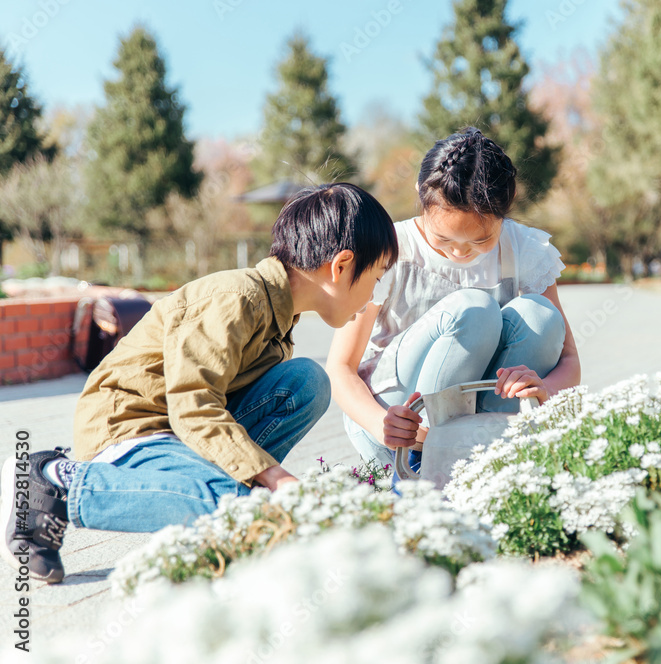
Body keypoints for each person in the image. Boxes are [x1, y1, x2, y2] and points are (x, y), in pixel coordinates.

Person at [1, 183, 398, 584]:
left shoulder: (279, 321)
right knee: (233, 507)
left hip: (178, 433)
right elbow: (194, 407)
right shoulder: (236, 298)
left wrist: (259, 476)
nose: (374, 295)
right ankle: (52, 480)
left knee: (306, 382)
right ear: (342, 265)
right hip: (131, 427)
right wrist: (273, 476)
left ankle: (217, 493)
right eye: (377, 277)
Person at [326, 127, 581, 473]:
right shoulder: (390, 249)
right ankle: (421, 466)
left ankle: (484, 460)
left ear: (505, 211)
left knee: (540, 317)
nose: (460, 252)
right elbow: (340, 366)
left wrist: (544, 389)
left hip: (473, 425)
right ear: (421, 195)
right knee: (474, 310)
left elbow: (570, 360)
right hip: (396, 422)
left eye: (480, 241)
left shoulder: (524, 249)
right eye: (443, 238)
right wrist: (379, 423)